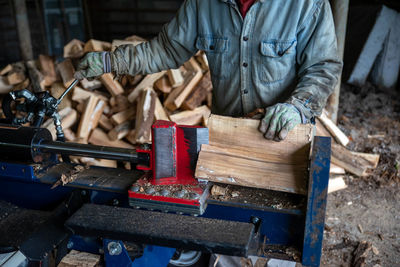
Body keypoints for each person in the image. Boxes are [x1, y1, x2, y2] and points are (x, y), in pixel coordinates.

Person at [75, 0, 342, 141]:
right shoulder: (203, 4)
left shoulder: (307, 4)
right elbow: (166, 49)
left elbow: (323, 67)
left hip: (284, 136)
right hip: (228, 133)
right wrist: (112, 62)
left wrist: (297, 107)